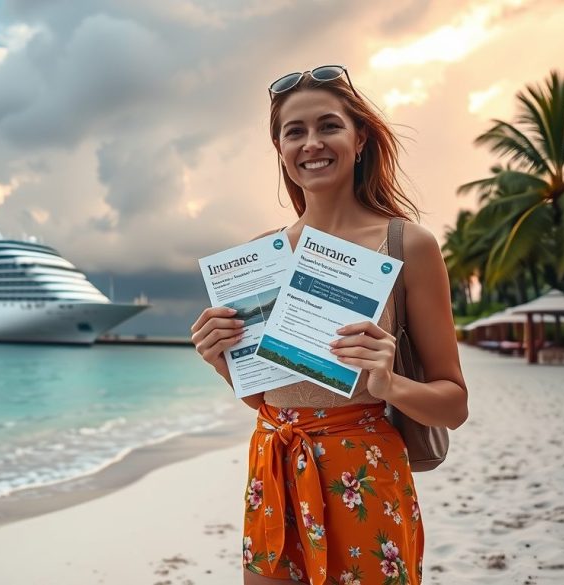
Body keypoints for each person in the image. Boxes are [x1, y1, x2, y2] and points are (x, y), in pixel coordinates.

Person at [189, 65, 469, 585]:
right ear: (280, 149)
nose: (311, 143)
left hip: (364, 473)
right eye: (294, 131)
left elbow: (454, 404)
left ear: (359, 138)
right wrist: (223, 362)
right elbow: (269, 397)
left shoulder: (409, 245)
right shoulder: (259, 257)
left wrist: (389, 383)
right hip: (273, 464)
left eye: (328, 126)